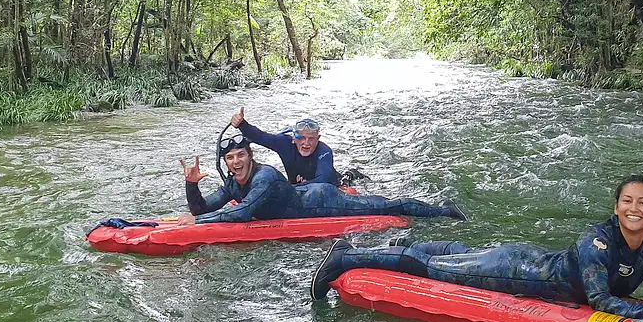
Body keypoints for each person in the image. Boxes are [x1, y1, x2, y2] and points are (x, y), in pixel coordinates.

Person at [310, 175, 643, 322]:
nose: (634, 208)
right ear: (616, 207)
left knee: (459, 257)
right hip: (519, 270)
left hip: (530, 258)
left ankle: (406, 245)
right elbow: (600, 301)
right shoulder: (598, 241)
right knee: (435, 270)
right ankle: (346, 257)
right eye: (627, 200)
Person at [176, 135, 466, 224]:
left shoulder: (263, 176)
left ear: (250, 157)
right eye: (230, 158)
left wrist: (198, 223)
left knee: (387, 205)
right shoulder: (233, 183)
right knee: (383, 203)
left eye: (241, 155)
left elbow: (242, 212)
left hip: (320, 201)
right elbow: (203, 208)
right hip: (306, 193)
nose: (236, 162)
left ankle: (444, 210)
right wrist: (192, 185)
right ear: (225, 163)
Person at [230, 108, 338, 186]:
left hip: (330, 188)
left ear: (318, 138)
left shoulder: (324, 151)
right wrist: (242, 124)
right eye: (302, 138)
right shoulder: (285, 143)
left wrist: (292, 187)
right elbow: (260, 137)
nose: (306, 143)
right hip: (296, 188)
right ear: (294, 138)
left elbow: (323, 180)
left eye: (311, 139)